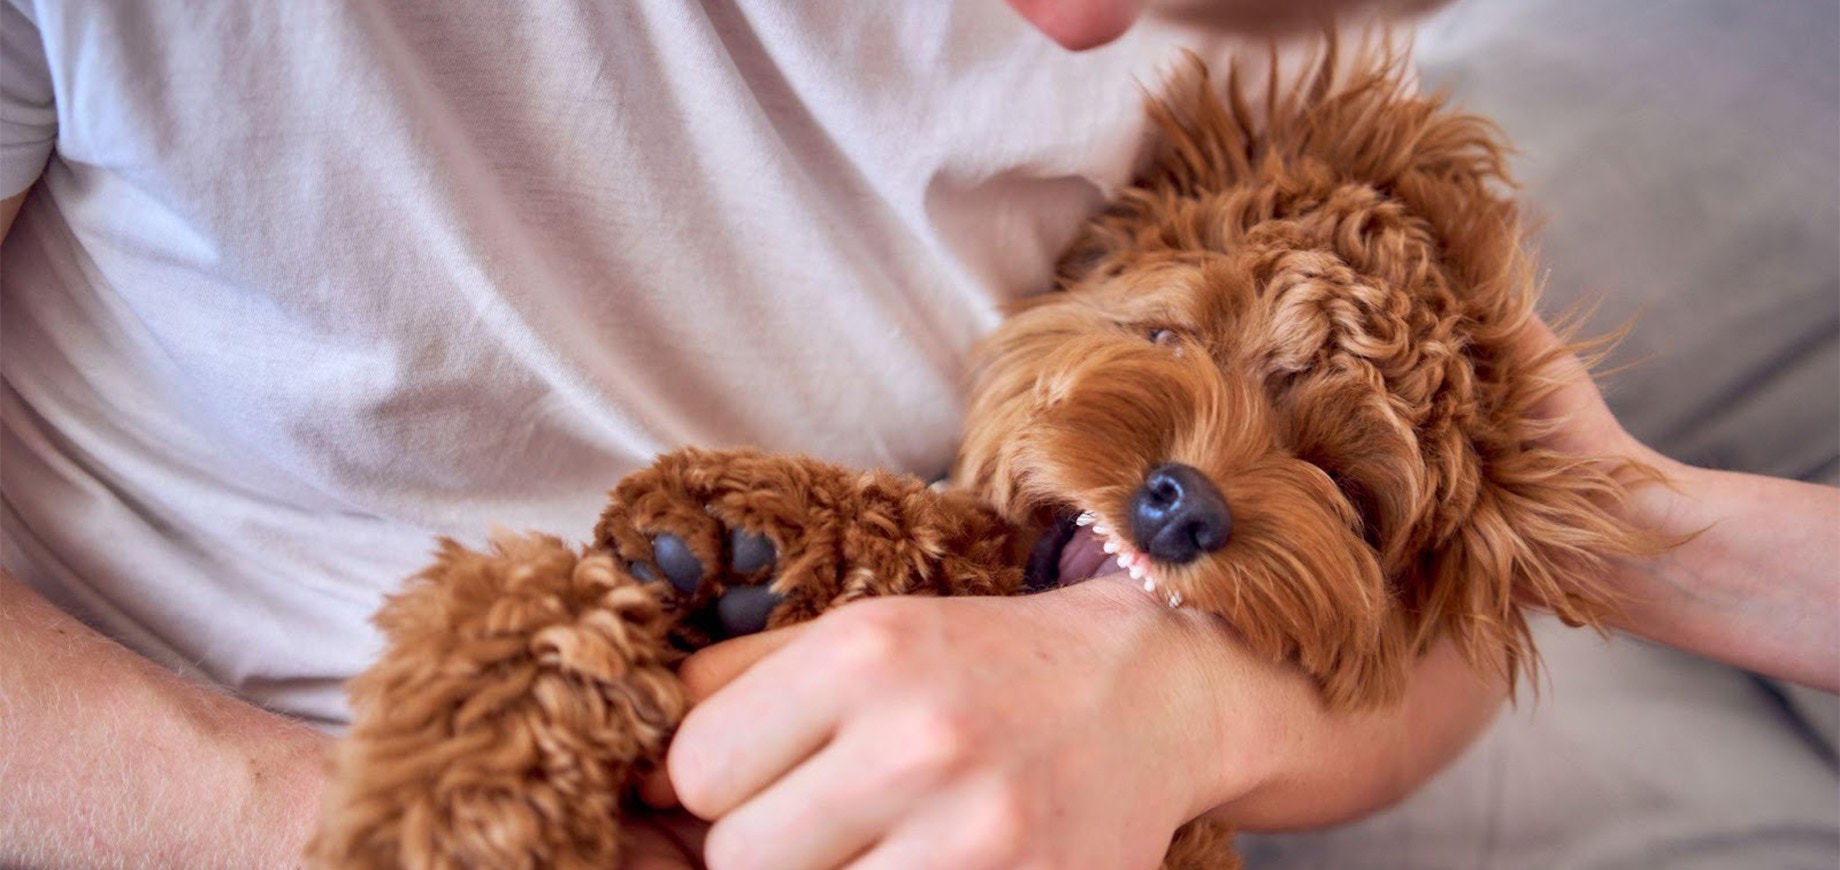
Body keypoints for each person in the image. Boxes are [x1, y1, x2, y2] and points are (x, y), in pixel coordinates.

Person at [1, 1, 1833, 867]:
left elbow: (1440, 620)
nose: (1086, 31)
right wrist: (347, 826)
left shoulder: (1289, 62)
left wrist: (1163, 699)